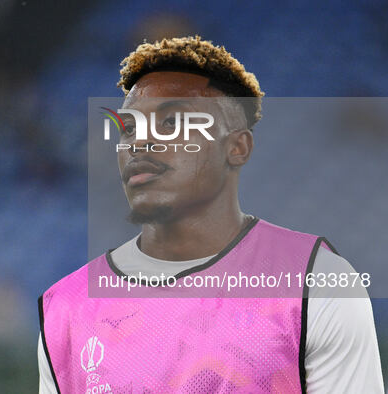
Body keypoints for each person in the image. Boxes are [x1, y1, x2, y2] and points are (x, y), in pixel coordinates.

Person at [37, 36, 384, 393]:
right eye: (128, 128)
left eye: (171, 123)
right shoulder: (66, 307)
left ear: (236, 147)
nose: (139, 142)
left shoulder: (317, 282)